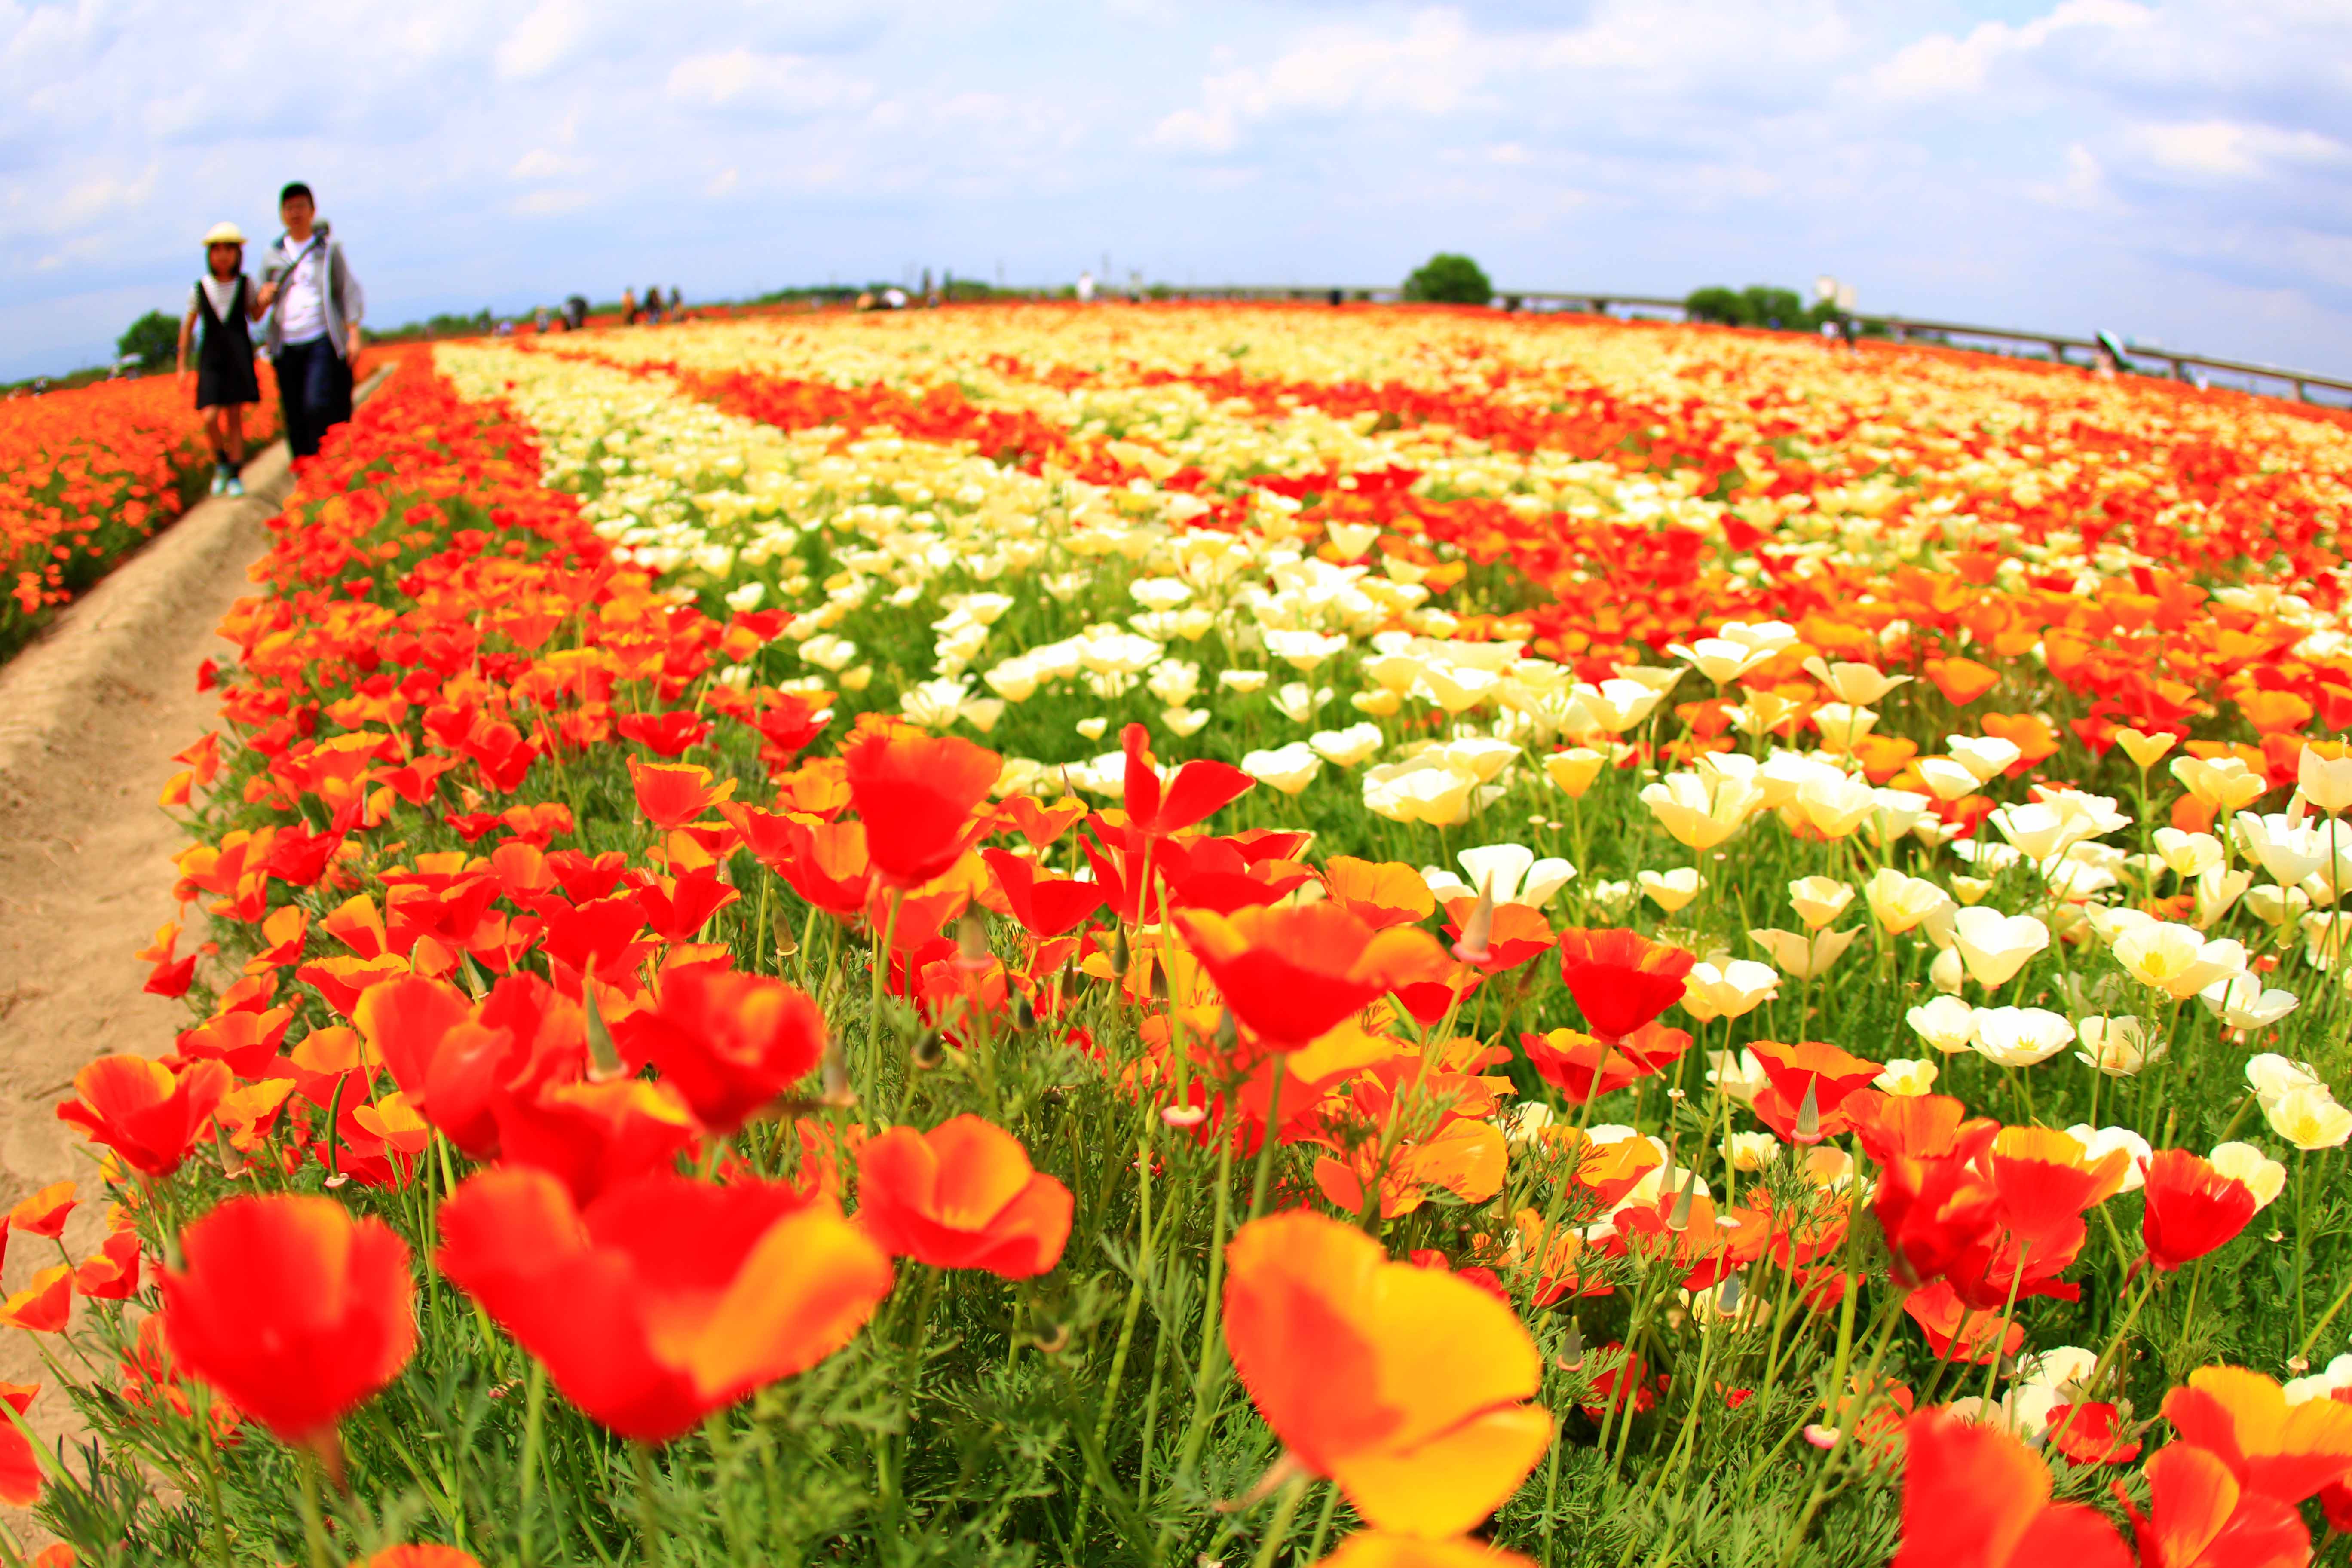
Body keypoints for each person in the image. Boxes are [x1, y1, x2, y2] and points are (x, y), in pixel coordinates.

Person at [259, 182, 364, 460]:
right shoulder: (273, 255)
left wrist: (353, 334)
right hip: (286, 345)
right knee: (295, 412)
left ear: (312, 211)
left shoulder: (328, 251)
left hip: (321, 337)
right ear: (282, 214)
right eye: (289, 208)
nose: (295, 213)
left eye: (301, 207)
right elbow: (258, 302)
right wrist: (264, 296)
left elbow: (347, 291)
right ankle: (304, 470)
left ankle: (325, 462)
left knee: (317, 405)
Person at [175, 222, 266, 496]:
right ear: (210, 254)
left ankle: (236, 474)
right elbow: (187, 328)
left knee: (235, 417)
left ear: (238, 254)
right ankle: (222, 462)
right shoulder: (199, 289)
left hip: (238, 356)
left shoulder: (246, 284)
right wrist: (182, 365)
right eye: (218, 250)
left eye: (230, 249)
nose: (224, 255)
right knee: (210, 416)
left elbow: (256, 315)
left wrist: (266, 300)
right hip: (211, 359)